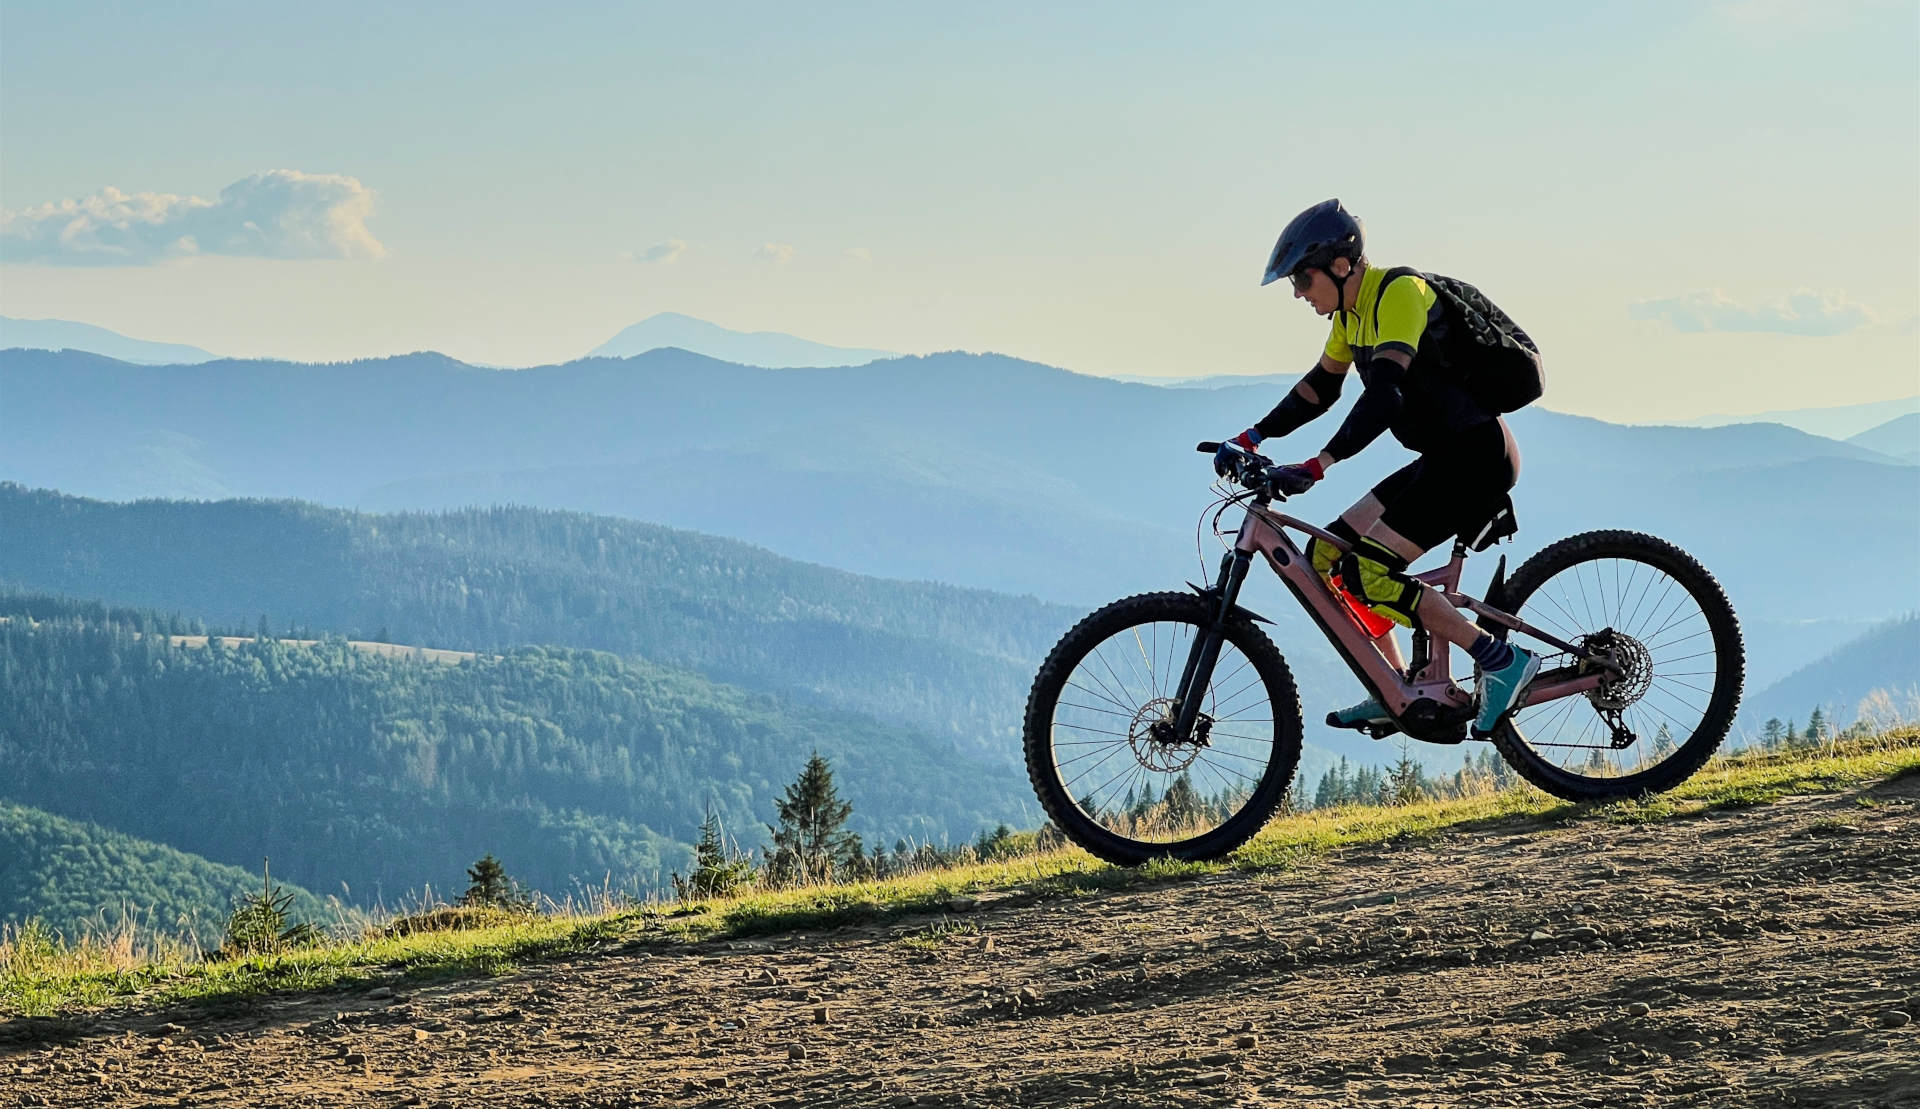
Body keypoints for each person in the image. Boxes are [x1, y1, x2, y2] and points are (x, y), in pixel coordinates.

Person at [1215, 198, 1537, 738]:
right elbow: (1318, 390)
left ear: (1341, 265)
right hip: (1442, 458)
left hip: (1476, 458)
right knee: (1324, 557)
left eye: (1303, 278)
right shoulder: (1349, 315)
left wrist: (1319, 464)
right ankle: (1392, 688)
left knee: (1368, 572)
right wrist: (1250, 437)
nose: (1298, 293)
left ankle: (1502, 661)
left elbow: (1385, 396)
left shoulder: (1400, 295)